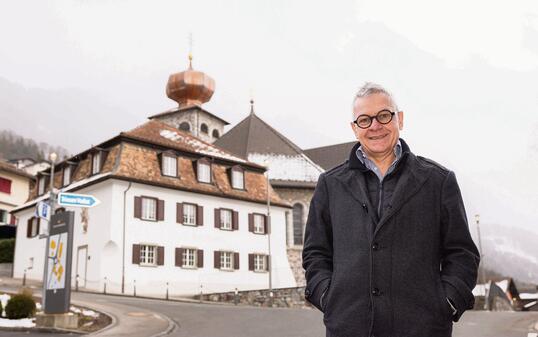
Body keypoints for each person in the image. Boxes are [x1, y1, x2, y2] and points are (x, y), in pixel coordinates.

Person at [302, 83, 480, 337]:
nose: (375, 126)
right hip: (349, 327)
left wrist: (447, 302)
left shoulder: (438, 181)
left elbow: (462, 253)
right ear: (354, 128)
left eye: (384, 115)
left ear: (401, 119)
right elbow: (315, 252)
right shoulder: (330, 185)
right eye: (364, 120)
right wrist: (328, 297)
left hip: (423, 328)